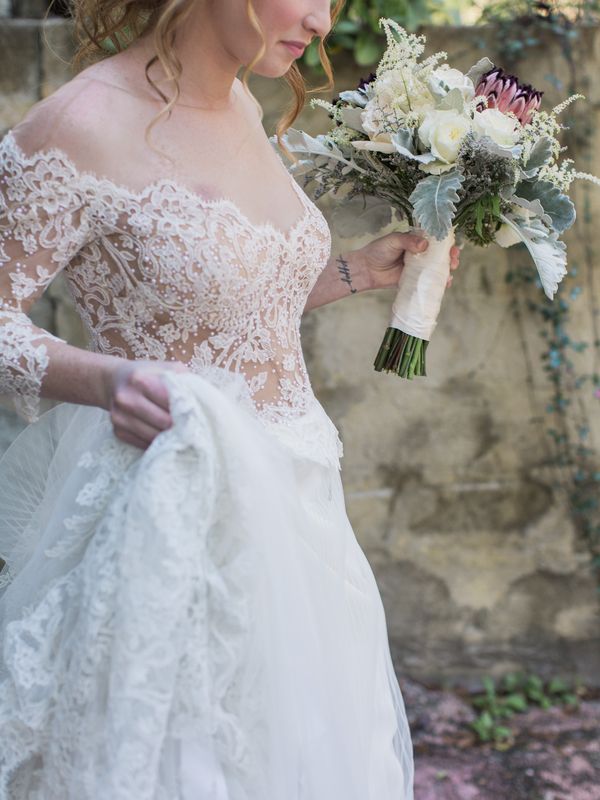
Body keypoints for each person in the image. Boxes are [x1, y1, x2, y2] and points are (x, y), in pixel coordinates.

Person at [0, 1, 461, 797]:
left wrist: (356, 271)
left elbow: (230, 312)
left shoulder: (246, 102)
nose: (322, 22)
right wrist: (108, 380)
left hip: (301, 504)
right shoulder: (77, 124)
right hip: (168, 520)